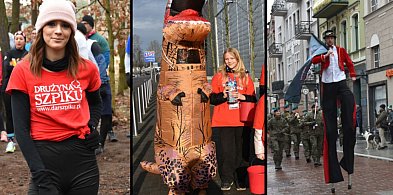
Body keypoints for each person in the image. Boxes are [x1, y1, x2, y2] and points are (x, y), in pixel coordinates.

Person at [6, 0, 102, 193]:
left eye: (65, 25)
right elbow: (21, 130)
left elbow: (96, 103)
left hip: (83, 164)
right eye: (52, 24)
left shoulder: (88, 68)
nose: (58, 31)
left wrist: (91, 126)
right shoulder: (22, 71)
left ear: (72, 32)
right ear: (41, 29)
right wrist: (39, 173)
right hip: (44, 164)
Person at [311, 30, 357, 184]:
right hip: (328, 84)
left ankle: (347, 160)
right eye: (328, 38)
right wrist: (323, 57)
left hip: (340, 81)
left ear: (334, 39)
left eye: (331, 38)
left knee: (349, 100)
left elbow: (349, 62)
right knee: (330, 131)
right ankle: (334, 171)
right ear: (325, 40)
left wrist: (353, 74)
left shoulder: (340, 50)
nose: (330, 40)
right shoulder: (322, 51)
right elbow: (313, 60)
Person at [210, 48, 256, 191]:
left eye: (232, 58)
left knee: (241, 153)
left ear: (237, 59)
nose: (229, 61)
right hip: (222, 122)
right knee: (225, 153)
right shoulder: (218, 77)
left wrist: (242, 97)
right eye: (226, 59)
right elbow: (212, 99)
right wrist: (223, 95)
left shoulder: (246, 77)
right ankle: (226, 179)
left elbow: (254, 99)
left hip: (242, 121)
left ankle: (241, 179)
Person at [77, 22, 117, 153]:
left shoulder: (89, 44)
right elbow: (101, 62)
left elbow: (100, 62)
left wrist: (96, 82)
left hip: (95, 84)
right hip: (99, 83)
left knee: (97, 113)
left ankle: (96, 143)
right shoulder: (91, 44)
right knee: (103, 113)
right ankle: (99, 143)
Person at [2, 30, 28, 153]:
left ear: (24, 41)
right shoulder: (9, 53)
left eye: (21, 39)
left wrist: (16, 66)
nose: (18, 41)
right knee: (10, 113)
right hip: (9, 88)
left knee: (25, 114)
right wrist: (20, 65)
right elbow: (7, 67)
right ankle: (11, 141)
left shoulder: (28, 54)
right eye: (16, 38)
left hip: (24, 88)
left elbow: (29, 70)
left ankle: (26, 140)